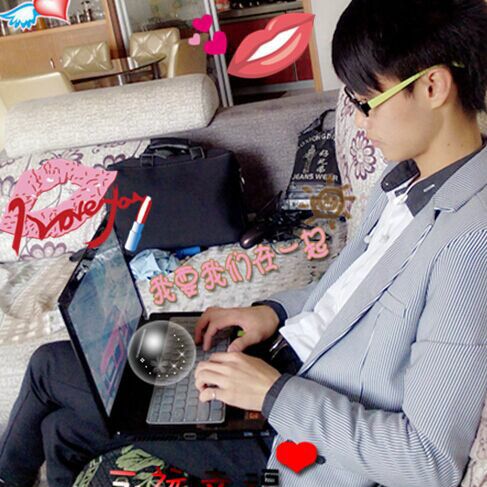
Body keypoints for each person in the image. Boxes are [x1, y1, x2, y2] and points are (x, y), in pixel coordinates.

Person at [1, 0, 487, 485]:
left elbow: (428, 459)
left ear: (433, 86)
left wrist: (271, 394)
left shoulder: (469, 243)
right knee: (63, 419)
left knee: (54, 382)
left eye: (366, 103)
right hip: (275, 362)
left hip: (290, 434)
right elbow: (352, 296)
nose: (360, 123)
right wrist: (272, 311)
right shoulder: (404, 181)